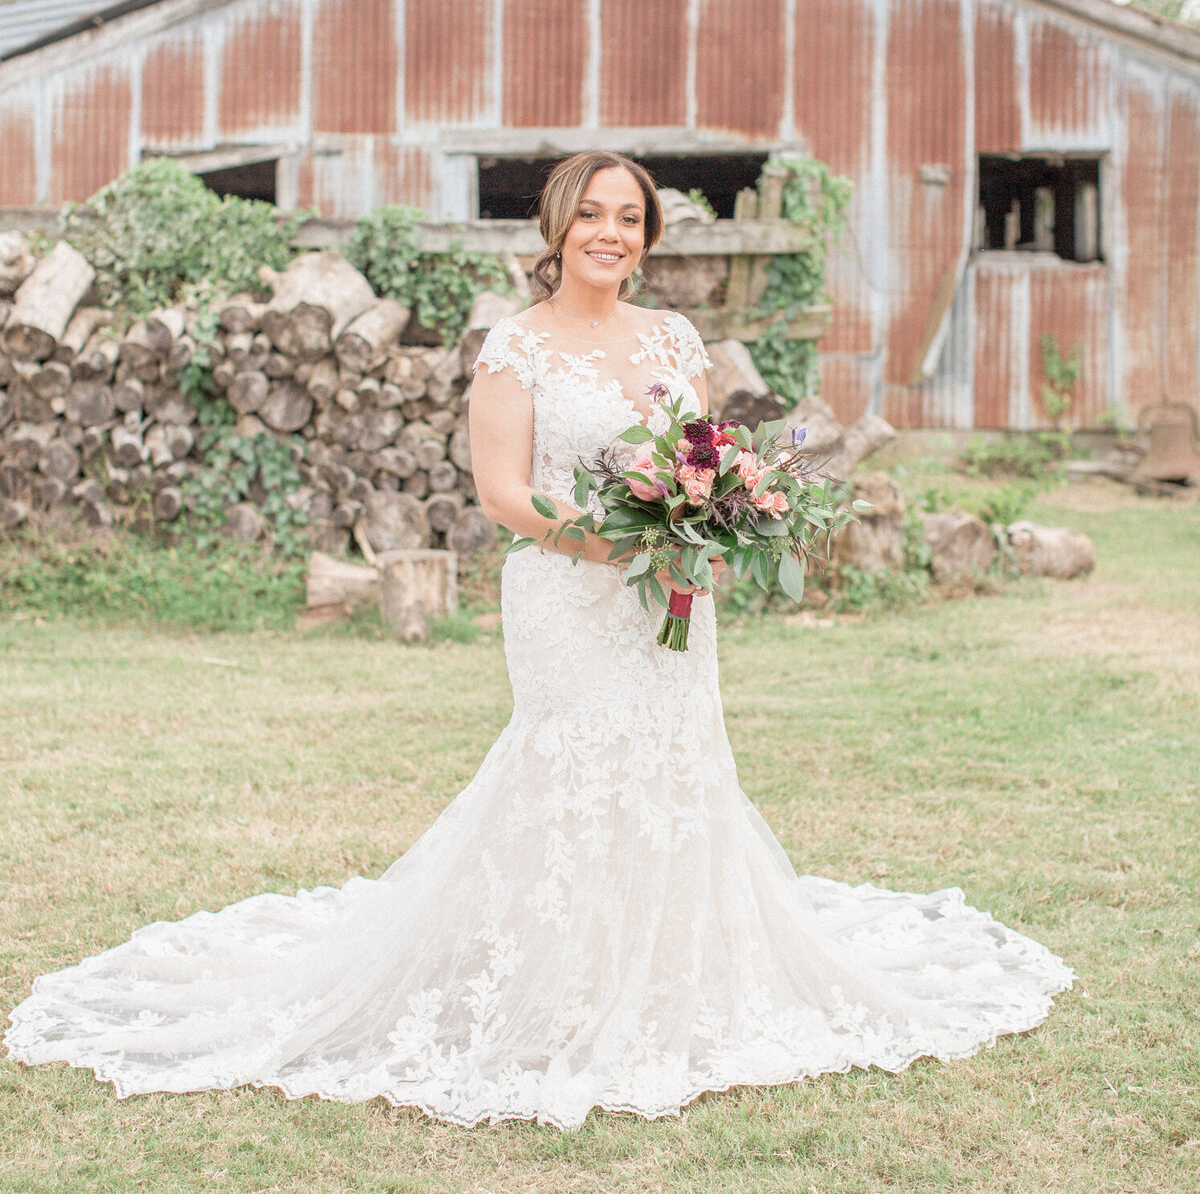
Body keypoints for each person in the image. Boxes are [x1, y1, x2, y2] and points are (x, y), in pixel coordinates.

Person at [4, 150, 1071, 1128]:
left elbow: (700, 451)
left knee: (673, 760)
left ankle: (666, 977)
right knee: (572, 763)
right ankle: (553, 979)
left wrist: (711, 517)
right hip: (566, 590)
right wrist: (606, 543)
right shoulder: (516, 345)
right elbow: (502, 492)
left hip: (670, 594)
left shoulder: (672, 341)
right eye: (593, 214)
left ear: (649, 237)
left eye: (632, 218)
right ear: (558, 227)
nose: (612, 232)